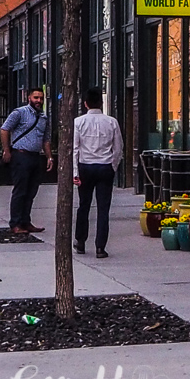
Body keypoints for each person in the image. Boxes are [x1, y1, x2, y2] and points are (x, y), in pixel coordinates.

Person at [73, 87, 122, 259]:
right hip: (104, 167)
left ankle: (80, 241)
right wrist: (113, 166)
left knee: (83, 205)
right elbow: (118, 148)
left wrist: (75, 172)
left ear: (85, 104)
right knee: (103, 208)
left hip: (85, 166)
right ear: (101, 103)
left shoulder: (78, 122)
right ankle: (100, 247)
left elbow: (75, 149)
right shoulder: (111, 122)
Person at [0, 88, 52, 234]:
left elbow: (46, 139)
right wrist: (6, 150)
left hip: (35, 157)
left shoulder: (43, 118)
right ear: (28, 97)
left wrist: (49, 157)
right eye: (36, 97)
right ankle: (15, 223)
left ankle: (25, 221)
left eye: (41, 98)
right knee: (20, 191)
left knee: (31, 191)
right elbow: (4, 129)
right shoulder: (19, 113)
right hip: (20, 156)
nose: (39, 101)